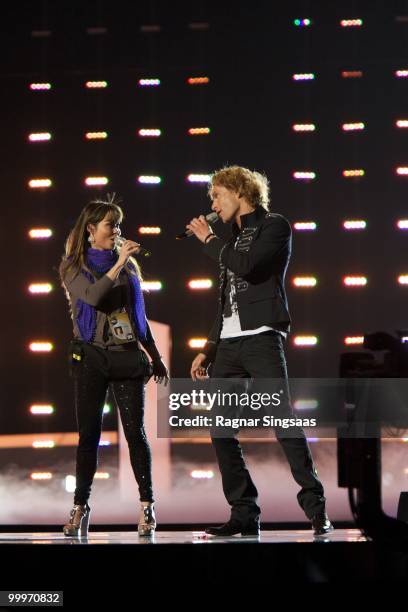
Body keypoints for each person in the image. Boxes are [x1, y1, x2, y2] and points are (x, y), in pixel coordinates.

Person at [187, 166, 333, 537]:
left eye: (217, 195)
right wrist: (209, 347)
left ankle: (316, 509)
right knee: (221, 430)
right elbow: (226, 299)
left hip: (262, 338)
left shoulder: (274, 226)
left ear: (239, 190)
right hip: (230, 344)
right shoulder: (231, 239)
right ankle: (244, 512)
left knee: (282, 420)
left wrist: (208, 242)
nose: (213, 204)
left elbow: (249, 269)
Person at [59, 194, 168, 537]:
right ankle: (80, 506)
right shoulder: (73, 266)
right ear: (91, 229)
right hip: (91, 356)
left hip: (125, 356)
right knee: (88, 436)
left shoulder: (129, 268)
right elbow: (93, 297)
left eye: (119, 224)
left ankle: (147, 506)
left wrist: (155, 356)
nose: (117, 230)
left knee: (135, 433)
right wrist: (119, 262)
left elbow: (138, 317)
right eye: (111, 224)